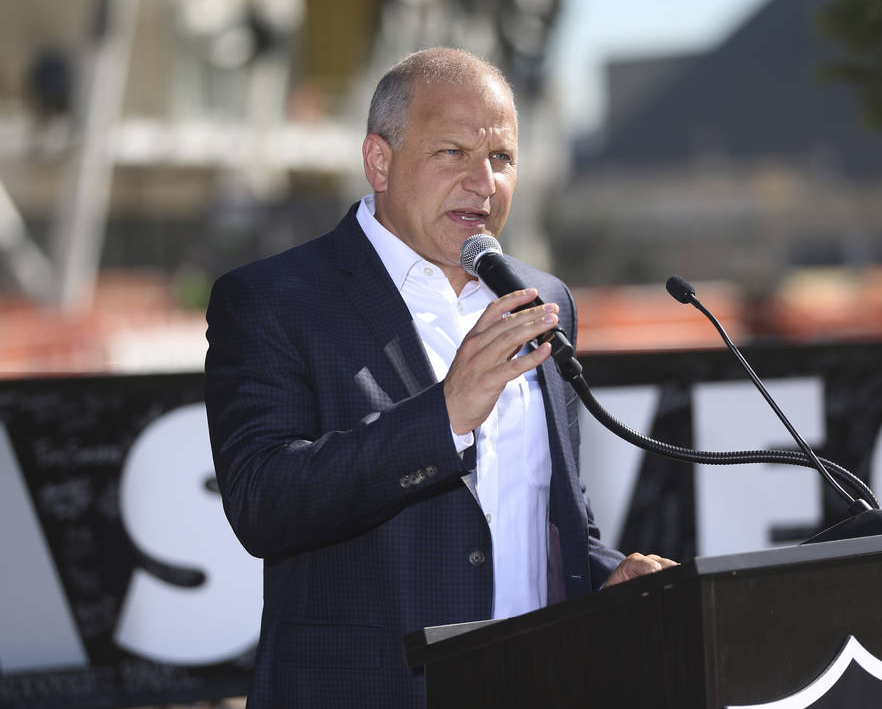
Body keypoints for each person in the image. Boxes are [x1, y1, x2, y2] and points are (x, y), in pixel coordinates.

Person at [204, 47, 675, 708]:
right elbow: (264, 503)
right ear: (379, 161)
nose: (483, 182)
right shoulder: (274, 299)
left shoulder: (544, 301)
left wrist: (606, 575)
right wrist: (444, 417)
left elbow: (548, 516)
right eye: (452, 152)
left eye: (502, 158)